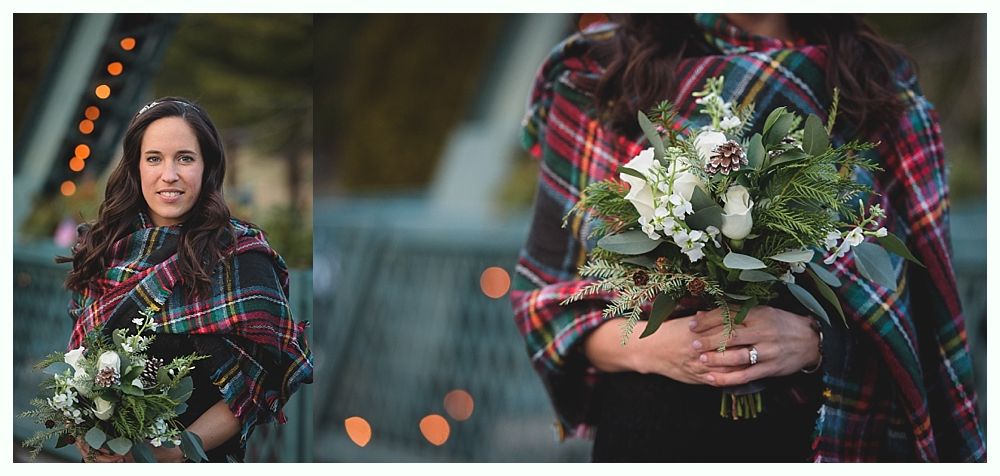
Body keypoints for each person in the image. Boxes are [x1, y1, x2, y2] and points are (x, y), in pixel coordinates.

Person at [511, 14, 985, 462]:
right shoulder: (603, 71)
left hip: (812, 434)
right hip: (649, 431)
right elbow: (548, 307)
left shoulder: (882, 92)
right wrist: (658, 345)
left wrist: (814, 344)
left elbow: (918, 323)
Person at [59, 97, 313, 462]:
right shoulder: (104, 247)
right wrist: (88, 436)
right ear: (135, 167)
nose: (169, 175)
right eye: (154, 158)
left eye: (185, 158)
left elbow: (261, 381)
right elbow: (78, 359)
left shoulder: (241, 257)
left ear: (207, 166)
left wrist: (169, 454)